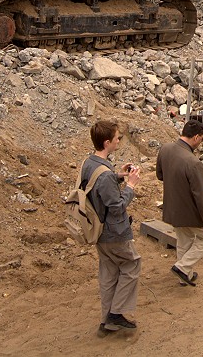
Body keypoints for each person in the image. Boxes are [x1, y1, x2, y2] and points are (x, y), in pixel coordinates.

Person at [82, 119, 142, 335]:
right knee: (131, 265)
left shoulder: (89, 164)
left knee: (108, 273)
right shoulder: (105, 175)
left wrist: (119, 175)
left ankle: (106, 319)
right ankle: (116, 314)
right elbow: (116, 207)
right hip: (114, 232)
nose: (119, 141)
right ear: (107, 142)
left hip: (97, 230)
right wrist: (131, 186)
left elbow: (98, 186)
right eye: (117, 138)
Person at [156, 119, 203, 286]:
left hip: (172, 207)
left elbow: (160, 175)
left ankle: (185, 276)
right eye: (202, 138)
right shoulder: (193, 162)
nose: (202, 141)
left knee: (184, 240)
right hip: (190, 212)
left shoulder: (165, 149)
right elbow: (201, 196)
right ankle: (182, 268)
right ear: (196, 137)